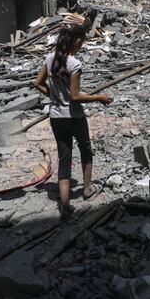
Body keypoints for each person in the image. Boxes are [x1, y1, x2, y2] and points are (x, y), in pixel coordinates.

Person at [34, 25, 112, 219]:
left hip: (56, 117)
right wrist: (99, 97)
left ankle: (65, 205)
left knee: (64, 157)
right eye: (82, 42)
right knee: (85, 150)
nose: (82, 45)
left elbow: (38, 83)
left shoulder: (50, 58)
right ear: (77, 41)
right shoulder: (74, 64)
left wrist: (53, 96)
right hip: (74, 116)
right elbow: (75, 97)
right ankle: (86, 190)